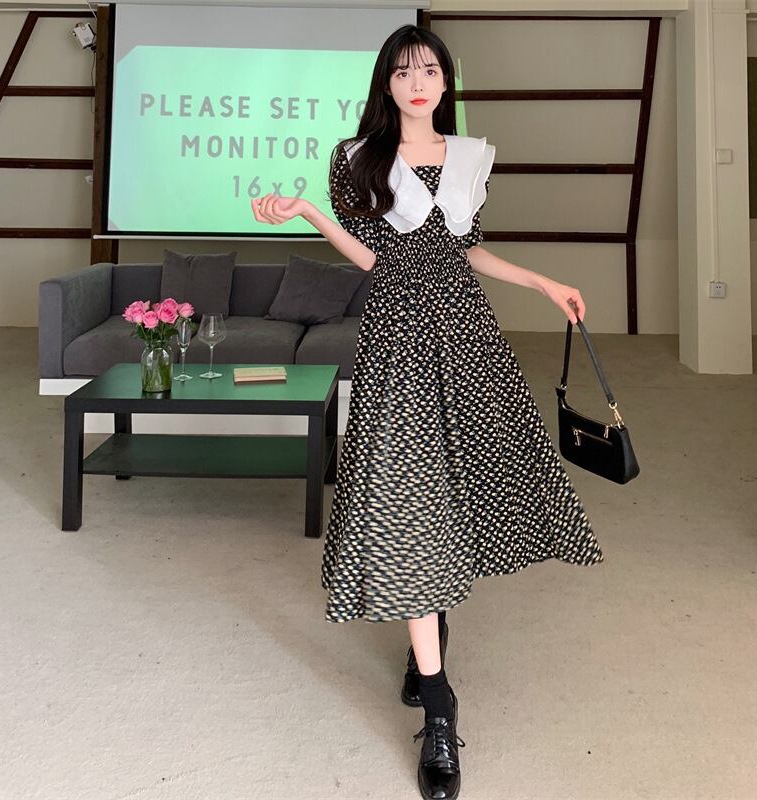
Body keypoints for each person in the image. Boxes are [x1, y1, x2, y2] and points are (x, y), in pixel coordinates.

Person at [251, 23, 604, 800]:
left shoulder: (471, 157)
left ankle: (427, 638)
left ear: (446, 82)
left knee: (460, 490)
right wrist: (310, 212)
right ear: (387, 83)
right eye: (404, 71)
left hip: (466, 334)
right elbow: (375, 258)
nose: (418, 82)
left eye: (431, 70)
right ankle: (440, 710)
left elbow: (467, 250)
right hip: (397, 337)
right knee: (405, 501)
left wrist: (544, 284)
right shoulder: (356, 158)